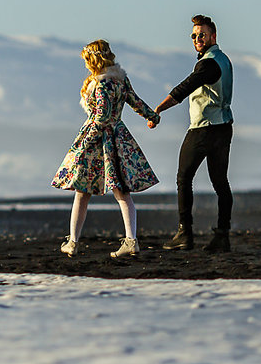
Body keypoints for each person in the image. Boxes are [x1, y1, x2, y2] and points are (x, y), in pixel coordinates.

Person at [51, 40, 161, 258]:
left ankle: (73, 242)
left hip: (101, 141)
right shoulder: (120, 79)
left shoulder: (102, 84)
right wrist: (152, 116)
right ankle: (130, 240)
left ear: (94, 60)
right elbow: (135, 101)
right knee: (120, 191)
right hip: (118, 137)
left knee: (83, 191)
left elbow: (101, 117)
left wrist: (84, 142)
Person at [152, 15, 234, 252]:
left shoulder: (208, 63)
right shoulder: (224, 60)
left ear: (213, 36)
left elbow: (186, 87)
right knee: (220, 183)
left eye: (202, 35)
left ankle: (184, 233)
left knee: (183, 178)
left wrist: (158, 109)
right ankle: (222, 235)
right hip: (224, 127)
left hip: (203, 129)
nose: (197, 39)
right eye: (194, 36)